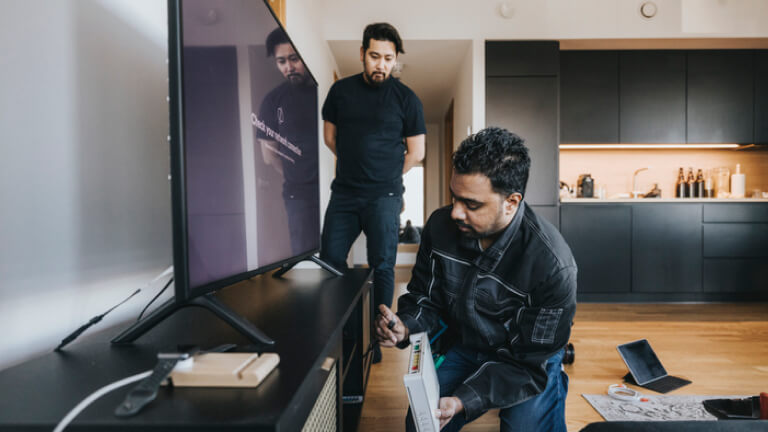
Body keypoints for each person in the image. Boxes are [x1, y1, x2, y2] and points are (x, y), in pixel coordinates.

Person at [375, 127, 577, 432]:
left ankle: (555, 376)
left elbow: (527, 364)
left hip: (526, 361)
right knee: (423, 424)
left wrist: (462, 400)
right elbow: (424, 298)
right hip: (467, 344)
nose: (455, 212)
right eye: (454, 197)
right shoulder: (440, 227)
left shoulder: (553, 266)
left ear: (511, 202)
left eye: (471, 204)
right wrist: (405, 326)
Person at [320, 23, 426, 362]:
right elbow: (331, 139)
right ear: (362, 54)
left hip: (385, 197)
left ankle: (374, 338)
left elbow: (417, 152)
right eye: (374, 56)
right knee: (331, 262)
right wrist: (357, 167)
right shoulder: (341, 92)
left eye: (388, 59)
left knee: (383, 265)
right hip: (345, 195)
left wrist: (385, 176)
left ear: (396, 60)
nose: (381, 65)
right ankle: (338, 333)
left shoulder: (407, 99)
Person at [257, 28, 319, 256]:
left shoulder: (325, 93)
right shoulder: (273, 100)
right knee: (304, 254)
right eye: (281, 61)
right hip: (298, 194)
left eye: (294, 59)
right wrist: (295, 175)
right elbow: (268, 155)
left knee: (334, 253)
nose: (289, 67)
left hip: (332, 189)